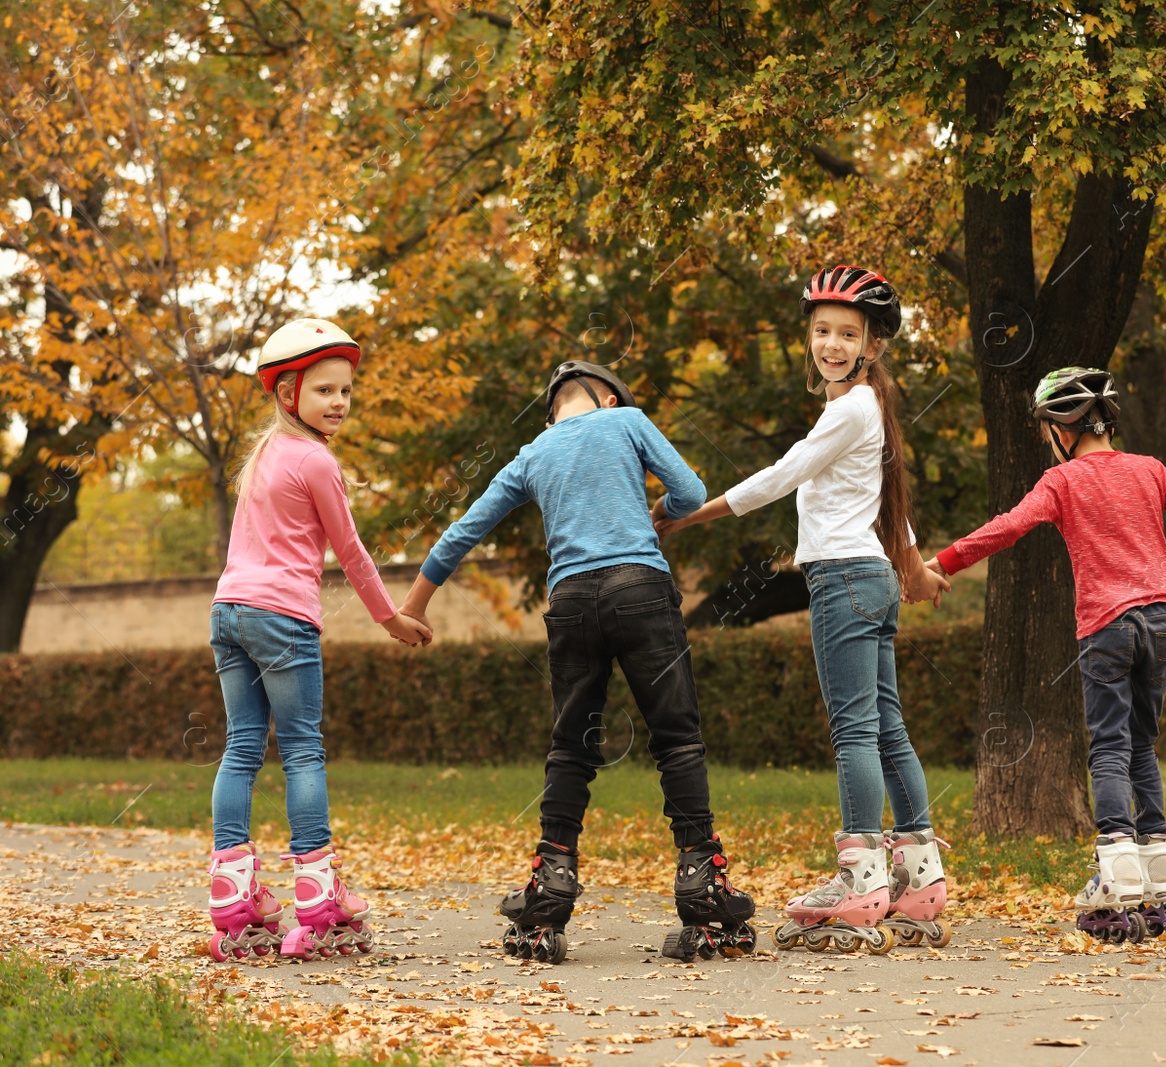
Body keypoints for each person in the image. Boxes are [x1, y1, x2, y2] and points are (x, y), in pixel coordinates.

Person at [398, 360, 756, 964]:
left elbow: (463, 531)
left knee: (572, 745)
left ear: (552, 412)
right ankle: (702, 881)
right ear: (611, 400)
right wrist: (662, 512)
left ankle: (550, 888)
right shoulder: (630, 422)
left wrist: (412, 606)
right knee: (677, 739)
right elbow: (692, 493)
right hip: (642, 590)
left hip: (571, 604)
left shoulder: (533, 453)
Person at [656, 266, 954, 953]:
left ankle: (861, 879)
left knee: (855, 730)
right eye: (822, 330)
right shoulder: (870, 410)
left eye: (848, 333)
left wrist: (689, 516)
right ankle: (918, 874)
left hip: (844, 578)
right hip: (874, 576)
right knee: (889, 729)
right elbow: (892, 513)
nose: (832, 343)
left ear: (872, 345)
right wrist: (918, 570)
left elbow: (780, 475)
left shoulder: (849, 408)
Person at [924, 366, 1166, 942]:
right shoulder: (1149, 470)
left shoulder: (1061, 482)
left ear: (1062, 431)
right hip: (1164, 616)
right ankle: (1159, 878)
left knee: (1110, 746)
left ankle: (1117, 869)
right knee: (1142, 743)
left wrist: (940, 564)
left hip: (1108, 622)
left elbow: (1005, 529)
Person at [206, 318, 431, 963]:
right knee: (303, 750)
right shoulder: (316, 461)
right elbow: (353, 554)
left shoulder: (264, 460)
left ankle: (233, 897)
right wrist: (390, 617)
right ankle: (319, 900)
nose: (339, 402)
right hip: (281, 618)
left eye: (346, 391)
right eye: (325, 390)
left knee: (241, 748)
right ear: (287, 395)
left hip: (228, 612)